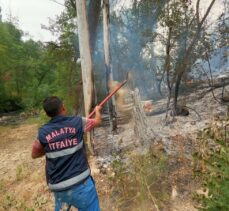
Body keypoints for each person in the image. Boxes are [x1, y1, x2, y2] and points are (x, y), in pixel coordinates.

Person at [31, 96, 102, 211]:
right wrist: (98, 110)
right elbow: (97, 121)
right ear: (63, 107)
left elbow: (34, 154)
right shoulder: (77, 122)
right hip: (82, 185)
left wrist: (52, 147)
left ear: (47, 113)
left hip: (60, 190)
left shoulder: (43, 131)